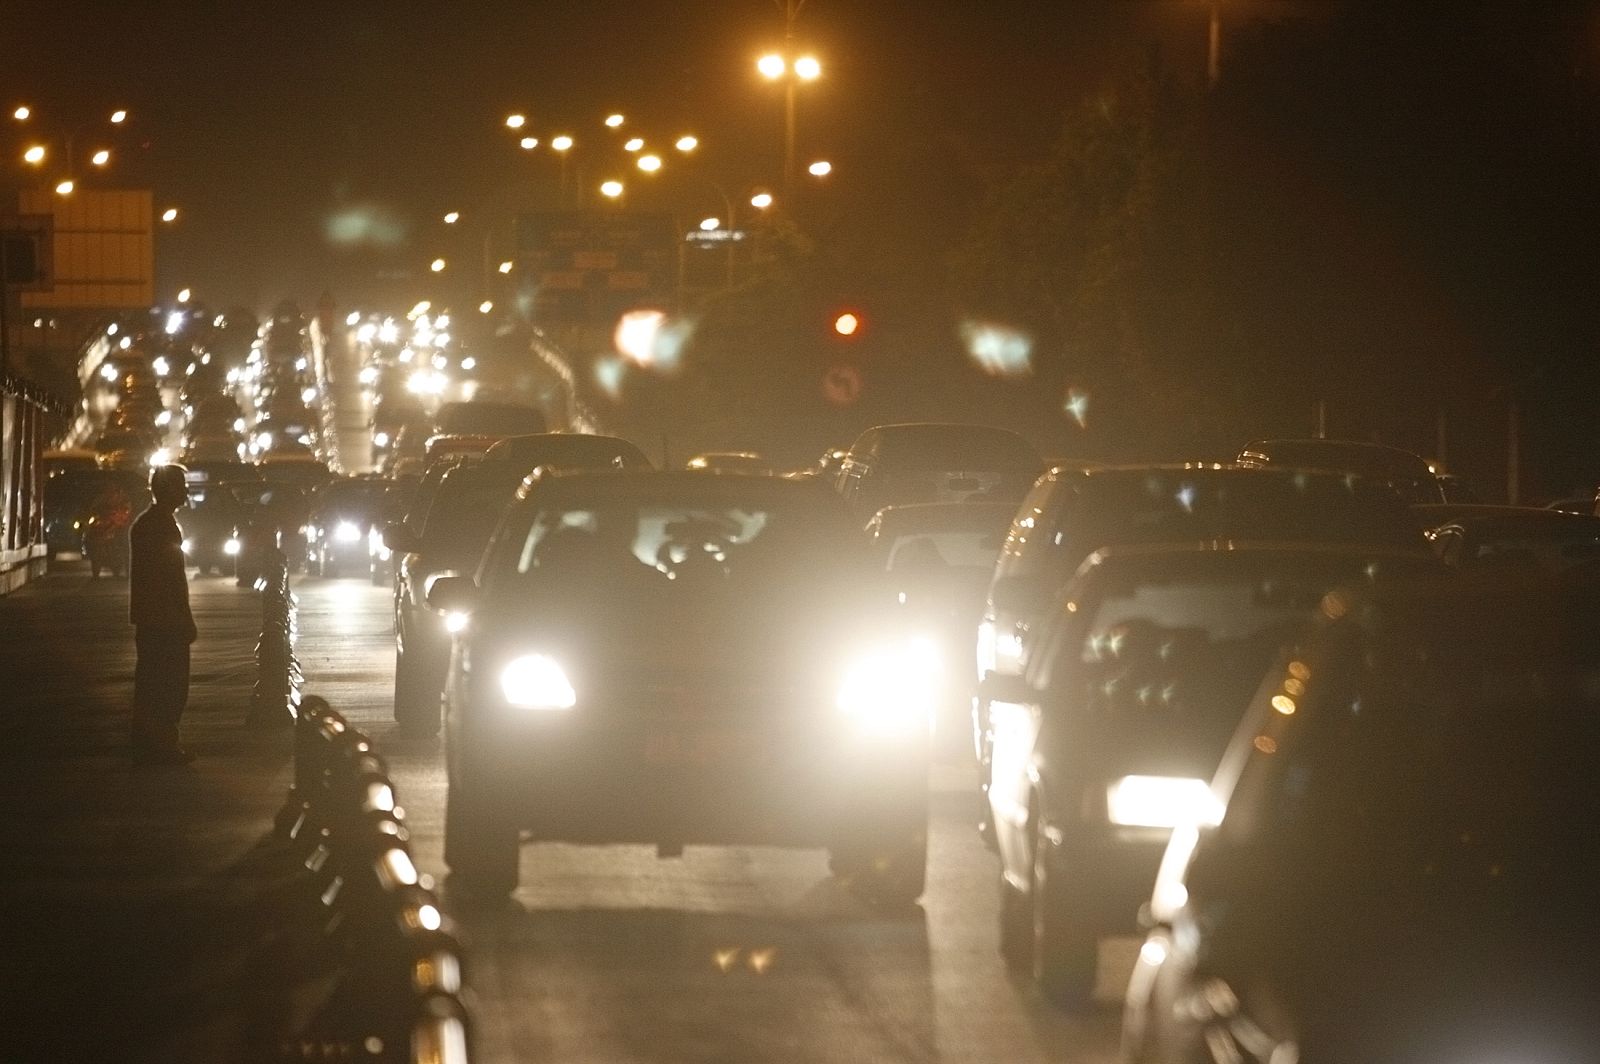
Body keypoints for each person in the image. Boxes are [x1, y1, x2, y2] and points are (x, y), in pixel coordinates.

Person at [129, 464, 197, 764]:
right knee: (169, 682)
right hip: (165, 619)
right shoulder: (162, 526)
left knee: (150, 680)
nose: (185, 491)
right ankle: (163, 743)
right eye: (180, 485)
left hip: (149, 617)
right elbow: (171, 580)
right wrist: (185, 618)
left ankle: (148, 740)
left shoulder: (147, 523)